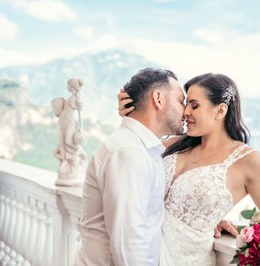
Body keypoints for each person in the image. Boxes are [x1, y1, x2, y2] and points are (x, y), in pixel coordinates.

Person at [118, 73, 260, 265]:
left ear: (220, 111)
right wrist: (131, 115)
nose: (185, 112)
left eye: (194, 105)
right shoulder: (173, 145)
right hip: (142, 254)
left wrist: (241, 230)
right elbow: (128, 155)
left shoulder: (250, 161)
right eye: (185, 104)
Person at [74, 68, 186, 266]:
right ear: (158, 99)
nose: (185, 111)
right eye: (181, 100)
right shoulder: (129, 152)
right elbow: (128, 243)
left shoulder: (140, 147)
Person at [52, 78, 87, 186]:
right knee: (63, 142)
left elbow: (80, 115)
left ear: (72, 86)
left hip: (70, 122)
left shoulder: (77, 98)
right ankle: (66, 163)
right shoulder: (70, 97)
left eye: (68, 85)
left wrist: (80, 129)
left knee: (70, 143)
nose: (67, 87)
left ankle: (78, 158)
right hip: (64, 121)